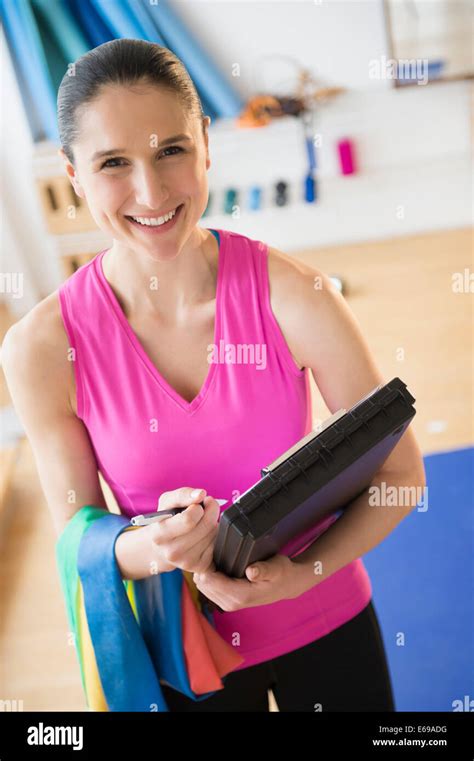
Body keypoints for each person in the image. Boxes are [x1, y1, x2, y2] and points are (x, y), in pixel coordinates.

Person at [1, 38, 425, 712]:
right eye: (114, 162)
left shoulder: (298, 295)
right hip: (187, 653)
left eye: (171, 148)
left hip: (327, 619)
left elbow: (403, 479)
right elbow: (78, 536)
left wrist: (299, 576)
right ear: (74, 174)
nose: (151, 191)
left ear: (205, 142)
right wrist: (155, 545)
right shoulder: (40, 348)